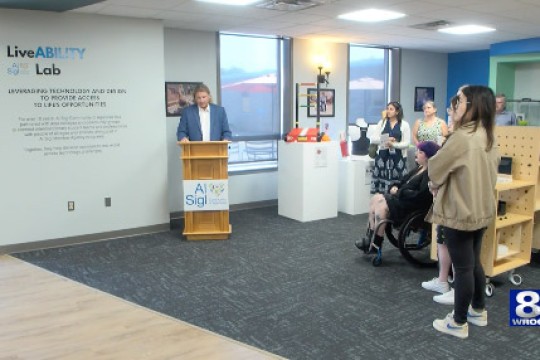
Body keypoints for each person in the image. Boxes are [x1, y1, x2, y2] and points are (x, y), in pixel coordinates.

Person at [428, 85, 499, 339]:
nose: (456, 105)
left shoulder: (462, 137)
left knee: (464, 268)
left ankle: (458, 322)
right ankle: (478, 310)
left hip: (460, 211)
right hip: (481, 210)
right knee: (473, 263)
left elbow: (435, 169)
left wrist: (434, 182)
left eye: (460, 101)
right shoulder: (487, 134)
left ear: (473, 106)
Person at [356, 141, 440, 253]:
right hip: (404, 199)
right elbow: (402, 181)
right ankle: (370, 237)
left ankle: (376, 242)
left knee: (381, 203)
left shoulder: (430, 173)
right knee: (376, 198)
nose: (416, 154)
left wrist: (400, 191)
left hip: (413, 206)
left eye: (420, 152)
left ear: (428, 156)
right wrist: (394, 186)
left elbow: (421, 196)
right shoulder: (418, 169)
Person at [421, 96, 459, 301]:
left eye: (453, 110)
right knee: (443, 240)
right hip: (446, 198)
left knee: (453, 245)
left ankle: (453, 288)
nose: (450, 114)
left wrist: (433, 183)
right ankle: (443, 280)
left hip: (452, 200)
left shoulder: (458, 139)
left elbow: (442, 169)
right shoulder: (456, 137)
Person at [370, 101, 410, 194]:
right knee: (381, 189)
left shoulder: (404, 124)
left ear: (397, 112)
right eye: (387, 108)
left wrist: (394, 144)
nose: (388, 111)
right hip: (382, 159)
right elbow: (373, 139)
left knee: (398, 186)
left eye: (391, 109)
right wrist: (385, 139)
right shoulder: (382, 122)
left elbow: (407, 143)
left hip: (398, 159)